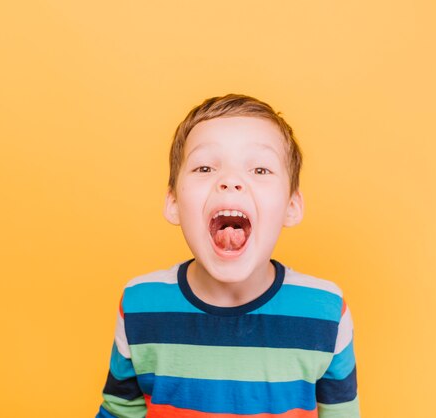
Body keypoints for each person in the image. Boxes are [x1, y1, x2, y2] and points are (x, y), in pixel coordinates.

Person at [96, 93, 360, 418]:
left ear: (292, 206)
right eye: (205, 167)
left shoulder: (326, 312)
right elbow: (118, 411)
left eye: (260, 169)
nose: (231, 181)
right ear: (173, 203)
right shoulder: (139, 305)